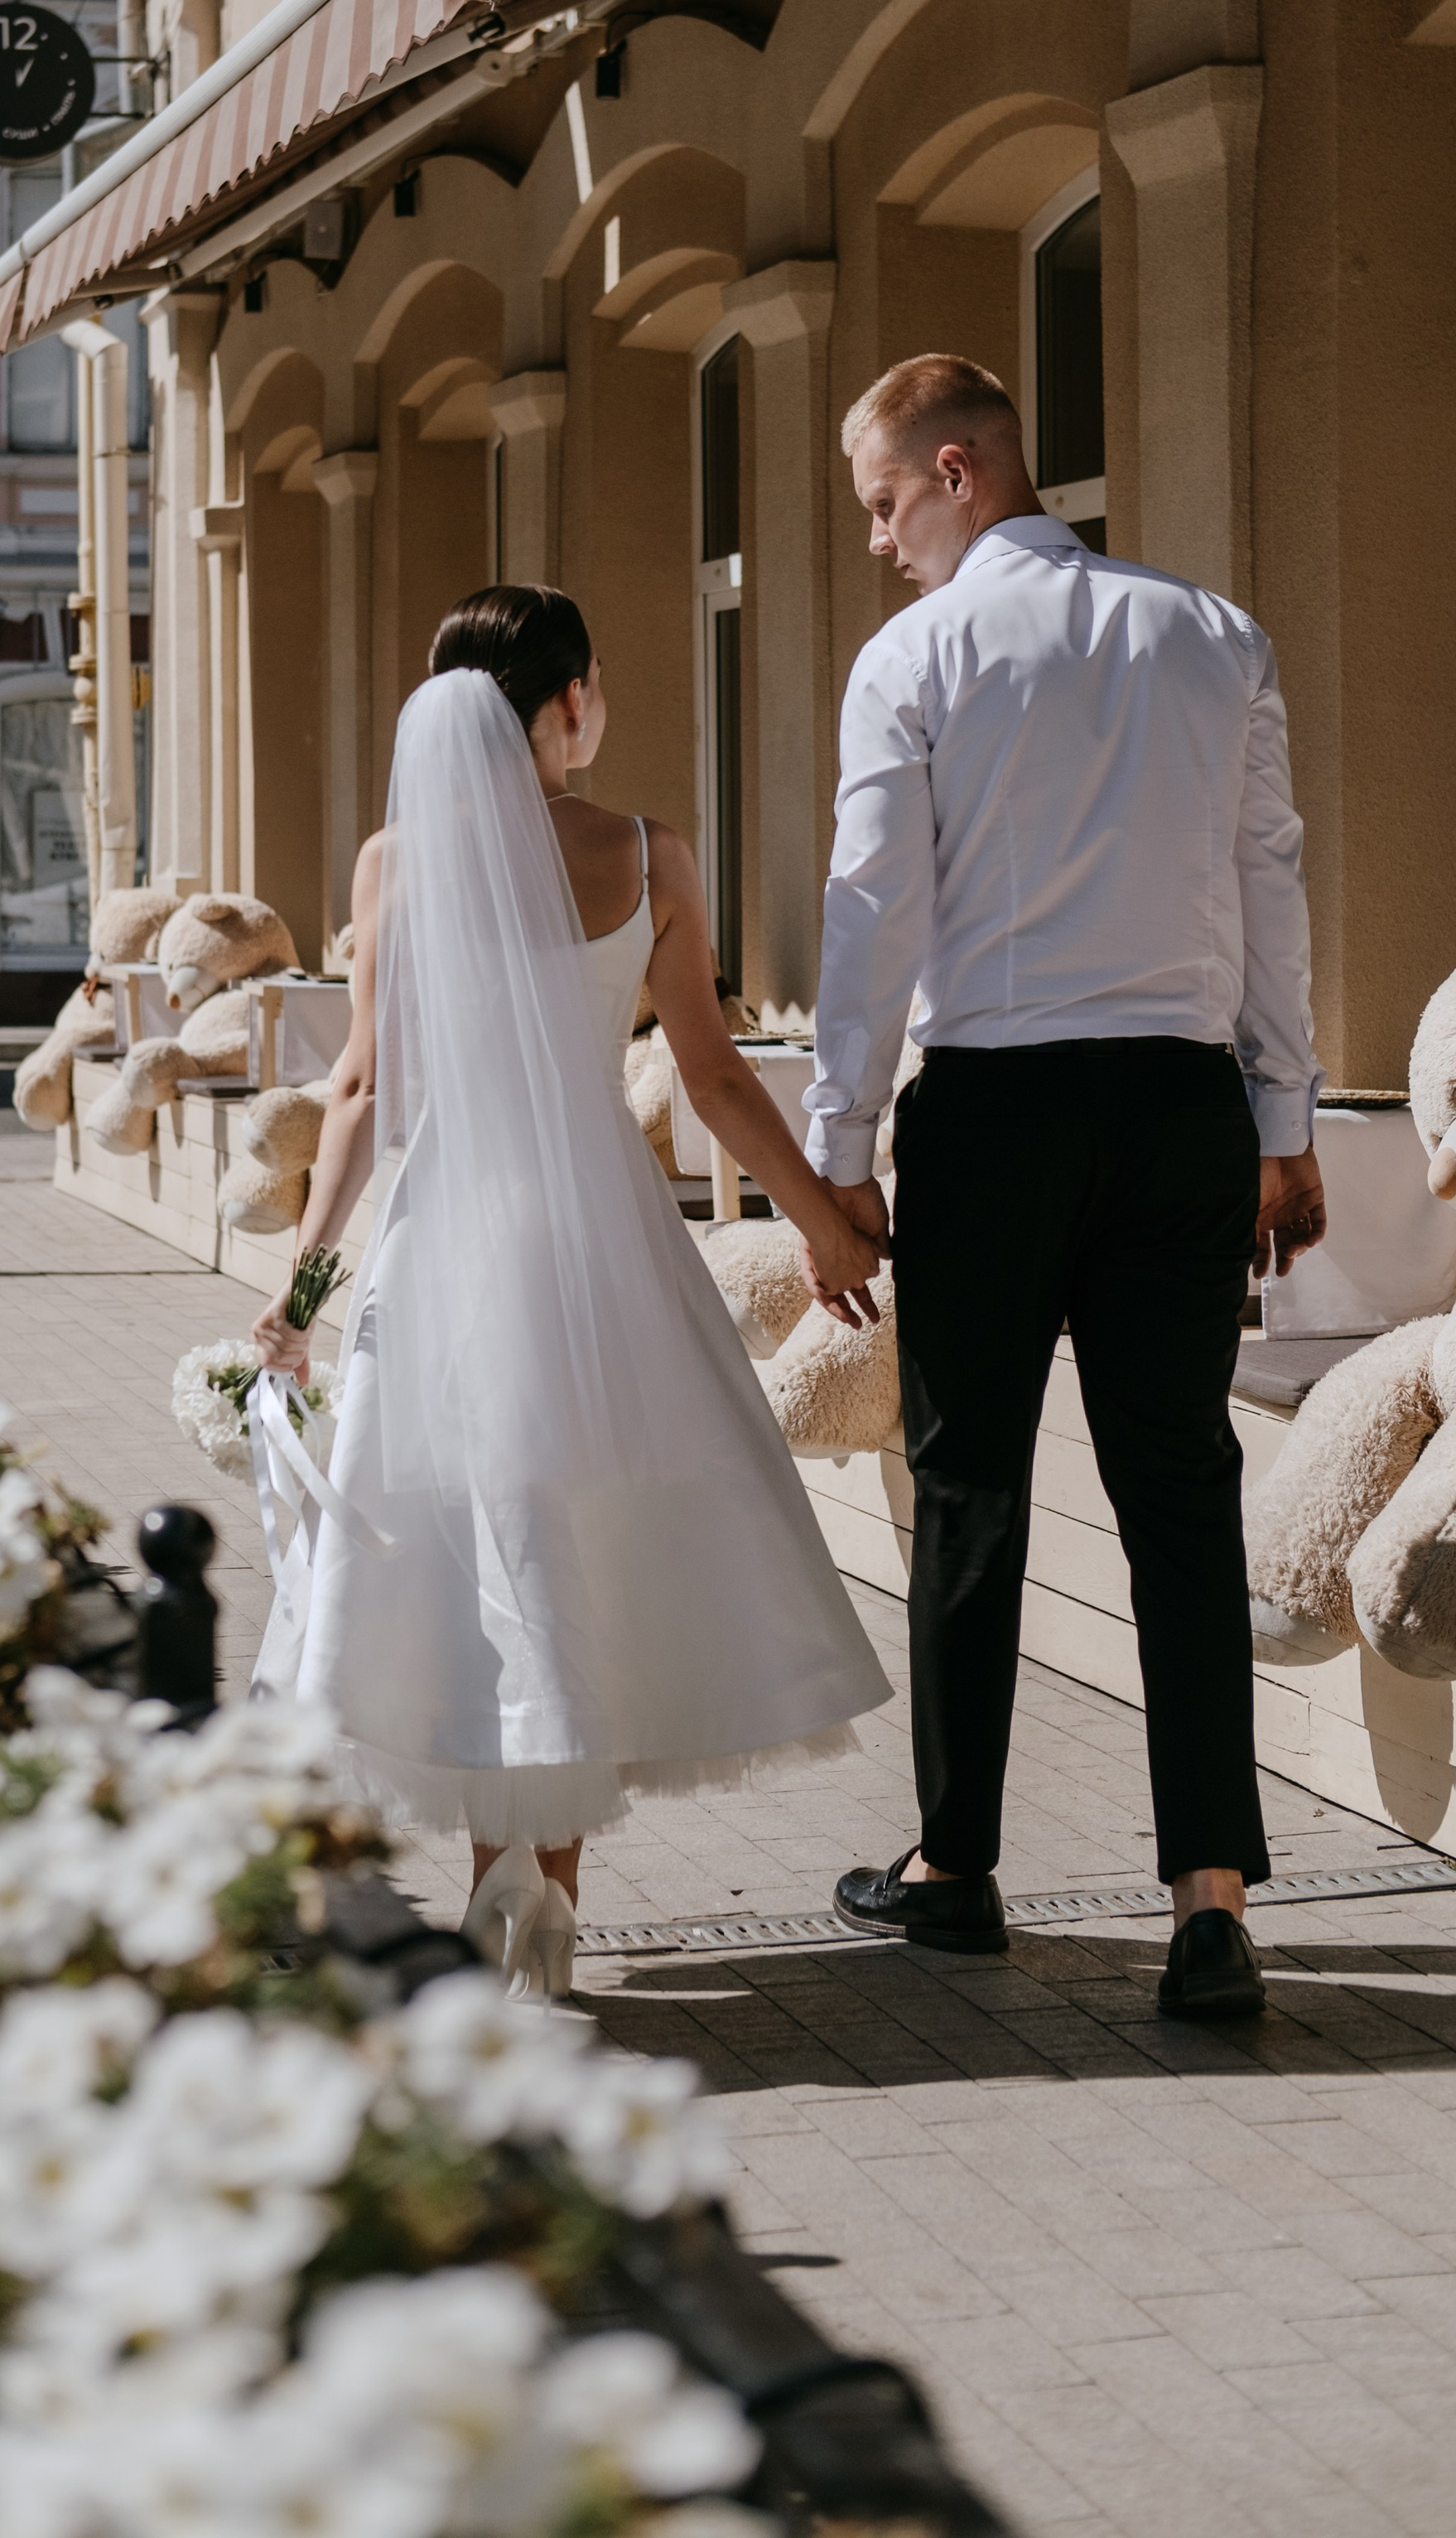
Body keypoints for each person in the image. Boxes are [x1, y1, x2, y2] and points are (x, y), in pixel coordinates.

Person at [252, 585, 892, 1995]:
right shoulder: (650, 855)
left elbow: (359, 1091)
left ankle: (501, 1876)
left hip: (447, 1232)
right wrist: (826, 1228)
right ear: (571, 704)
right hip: (604, 1240)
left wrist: (302, 1293)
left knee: (489, 1537)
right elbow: (712, 1078)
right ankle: (551, 1890)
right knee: (584, 1537)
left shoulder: (394, 865)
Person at [801, 357, 1326, 2022]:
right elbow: (1267, 880)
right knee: (1180, 1489)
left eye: (886, 500)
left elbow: (870, 909)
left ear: (958, 470)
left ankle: (954, 1868)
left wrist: (837, 1148)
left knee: (970, 1484)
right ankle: (1209, 1904)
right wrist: (1285, 1115)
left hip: (997, 1111)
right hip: (1180, 1107)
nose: (878, 537)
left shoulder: (915, 656)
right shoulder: (1214, 632)